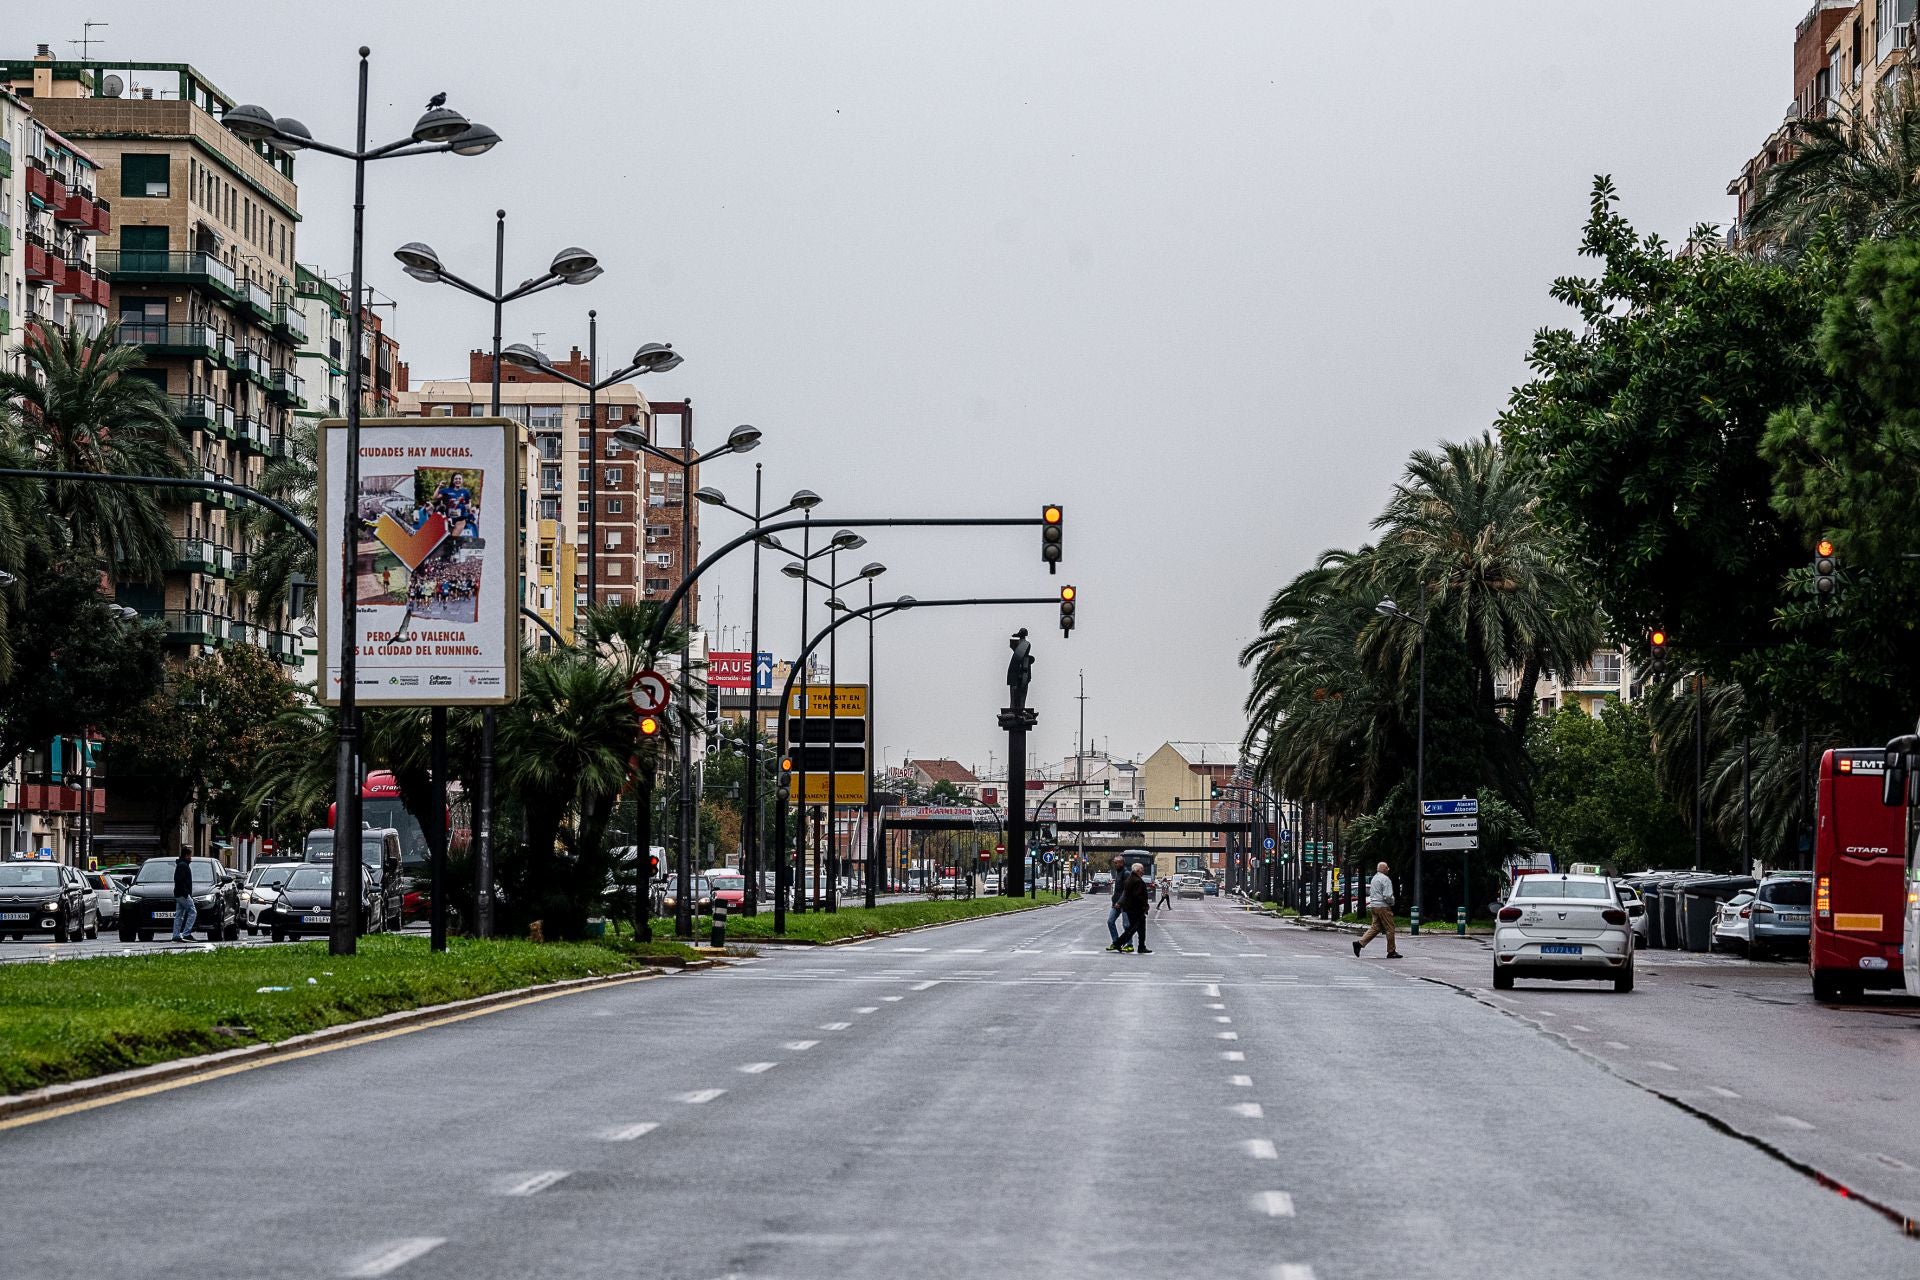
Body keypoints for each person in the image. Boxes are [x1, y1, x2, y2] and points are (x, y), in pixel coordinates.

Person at [1354, 860, 1403, 958]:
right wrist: (1392, 902)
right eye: (1387, 868)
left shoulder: (1374, 878)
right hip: (1383, 906)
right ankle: (1391, 951)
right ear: (1384, 869)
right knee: (1390, 928)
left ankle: (1359, 943)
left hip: (1374, 906)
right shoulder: (1385, 879)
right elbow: (1387, 895)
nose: (1388, 869)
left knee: (1375, 927)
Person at [1115, 862, 1152, 953]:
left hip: (1131, 908)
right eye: (1142, 869)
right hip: (1136, 909)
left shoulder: (1130, 879)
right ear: (1138, 870)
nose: (1143, 871)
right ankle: (1118, 943)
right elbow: (1138, 896)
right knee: (1133, 928)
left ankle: (1141, 946)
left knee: (1140, 929)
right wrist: (1144, 905)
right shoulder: (1137, 881)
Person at [170, 851, 198, 942]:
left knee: (179, 914)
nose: (191, 857)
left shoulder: (181, 865)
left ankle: (176, 935)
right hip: (183, 894)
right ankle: (186, 933)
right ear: (186, 855)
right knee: (192, 912)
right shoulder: (183, 865)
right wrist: (186, 893)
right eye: (190, 855)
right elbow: (180, 880)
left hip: (179, 893)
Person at [1104, 855, 1128, 950]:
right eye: (1114, 862)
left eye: (1116, 862)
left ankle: (1129, 944)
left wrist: (1120, 901)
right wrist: (1114, 899)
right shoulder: (1117, 872)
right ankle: (1116, 942)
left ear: (1121, 863)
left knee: (1126, 925)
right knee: (1110, 921)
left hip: (1124, 904)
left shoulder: (1126, 873)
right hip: (1116, 903)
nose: (1114, 864)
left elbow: (1126, 890)